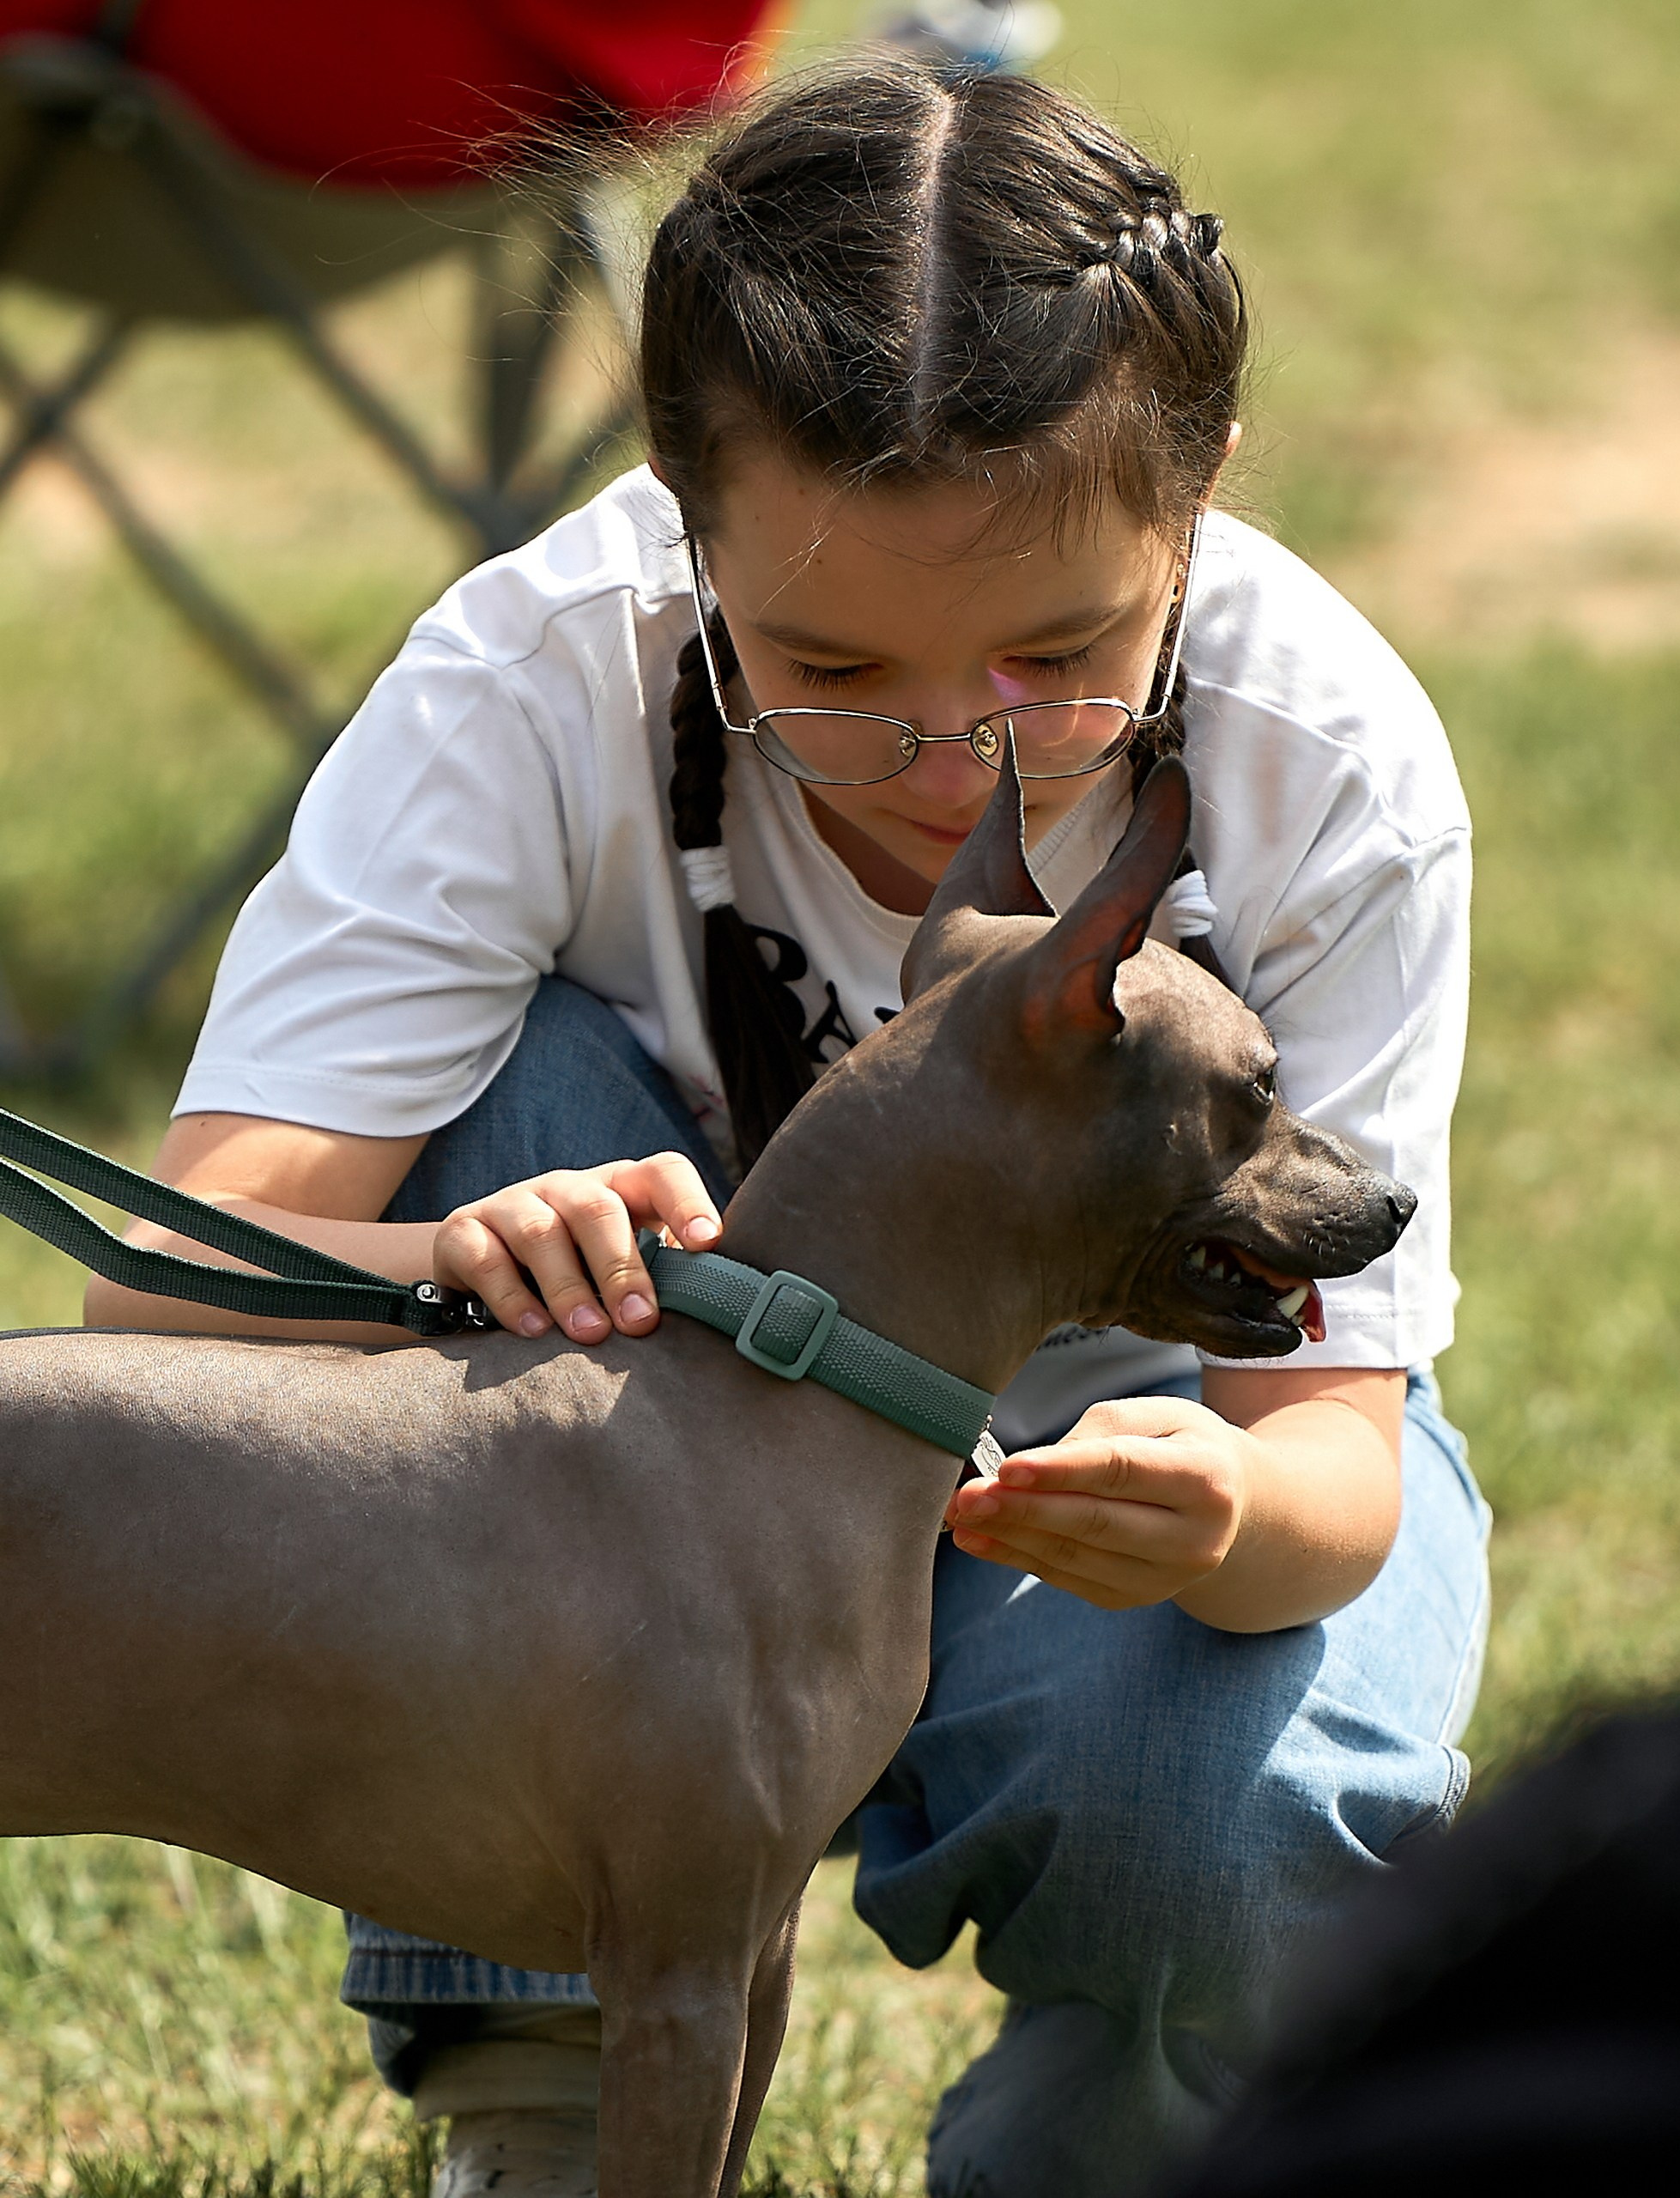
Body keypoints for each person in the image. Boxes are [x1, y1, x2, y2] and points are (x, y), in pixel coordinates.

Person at [86, 56, 1491, 2198]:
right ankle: (557, 2085)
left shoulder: (1326, 761)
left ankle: (1124, 2121)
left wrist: (1217, 1512)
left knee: (1234, 1814)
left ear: (1192, 497)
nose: (950, 757)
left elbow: (1335, 1455)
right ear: (680, 507)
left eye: (1058, 659)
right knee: (504, 1082)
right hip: (617, 1483)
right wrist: (450, 1265)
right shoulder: (535, 674)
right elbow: (163, 1295)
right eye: (826, 664)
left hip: (1081, 1468)